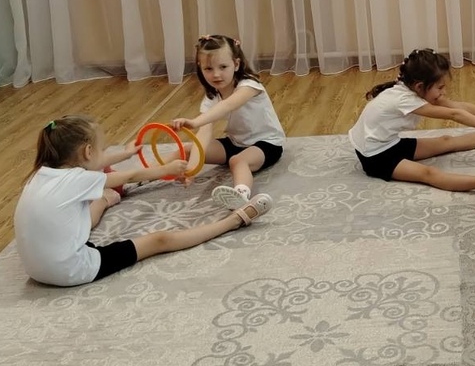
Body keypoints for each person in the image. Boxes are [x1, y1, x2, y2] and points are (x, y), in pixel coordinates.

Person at [14, 114, 272, 287]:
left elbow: (95, 163)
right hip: (71, 270)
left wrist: (125, 154)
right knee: (159, 240)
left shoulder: (42, 174)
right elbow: (132, 175)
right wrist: (165, 170)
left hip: (36, 269)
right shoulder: (78, 179)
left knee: (90, 208)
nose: (104, 154)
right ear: (88, 151)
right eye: (101, 149)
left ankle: (106, 200)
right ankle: (235, 220)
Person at [349, 48, 475, 192]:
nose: (444, 92)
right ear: (420, 86)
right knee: (428, 173)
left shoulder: (413, 89)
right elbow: (454, 115)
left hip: (388, 143)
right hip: (375, 156)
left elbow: (458, 107)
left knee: (446, 140)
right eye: (440, 87)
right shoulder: (406, 100)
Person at [171, 34, 286, 210]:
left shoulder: (249, 86)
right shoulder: (212, 96)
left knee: (237, 161)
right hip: (235, 143)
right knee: (187, 149)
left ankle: (241, 195)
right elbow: (204, 134)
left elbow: (227, 105)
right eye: (208, 68)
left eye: (223, 67)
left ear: (236, 64)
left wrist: (194, 122)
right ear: (200, 68)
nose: (216, 74)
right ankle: (146, 174)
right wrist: (192, 170)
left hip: (267, 143)